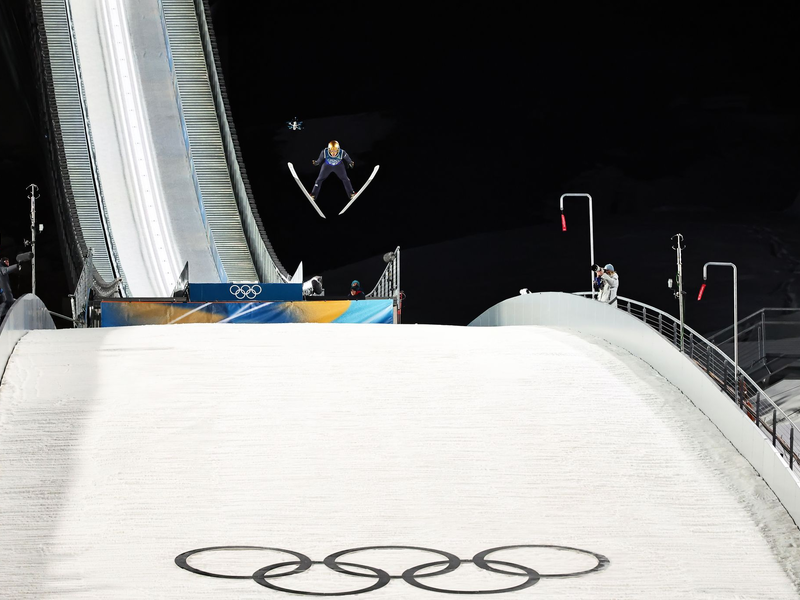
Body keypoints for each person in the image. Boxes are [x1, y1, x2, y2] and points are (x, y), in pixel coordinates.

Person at [0, 252, 33, 321]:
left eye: (8, 261)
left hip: (7, 294)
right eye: (6, 261)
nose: (8, 263)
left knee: (9, 307)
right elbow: (6, 270)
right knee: (6, 307)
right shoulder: (1, 268)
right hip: (5, 295)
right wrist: (16, 266)